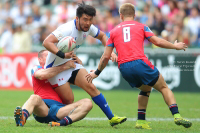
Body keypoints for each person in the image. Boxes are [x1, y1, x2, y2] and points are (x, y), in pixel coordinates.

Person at [85, 3, 192, 129]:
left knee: (146, 88)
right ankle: (177, 116)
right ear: (134, 15)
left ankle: (141, 121)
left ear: (121, 16)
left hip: (124, 68)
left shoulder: (113, 32)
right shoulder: (142, 26)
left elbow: (106, 57)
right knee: (163, 87)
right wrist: (174, 46)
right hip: (140, 63)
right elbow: (156, 41)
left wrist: (96, 73)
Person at [42, 1, 126, 126]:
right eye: (85, 19)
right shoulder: (66, 29)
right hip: (55, 68)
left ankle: (112, 118)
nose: (88, 23)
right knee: (69, 99)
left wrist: (110, 52)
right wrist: (63, 55)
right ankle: (50, 117)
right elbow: (46, 42)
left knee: (91, 86)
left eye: (90, 20)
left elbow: (103, 36)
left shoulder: (89, 28)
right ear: (77, 18)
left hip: (71, 63)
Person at [14, 50, 93, 127]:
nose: (51, 58)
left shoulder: (62, 72)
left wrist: (79, 65)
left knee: (88, 102)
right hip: (43, 108)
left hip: (60, 110)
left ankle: (60, 123)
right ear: (40, 59)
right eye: (47, 56)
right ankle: (22, 118)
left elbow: (83, 80)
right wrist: (64, 66)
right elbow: (41, 75)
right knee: (34, 97)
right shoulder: (37, 68)